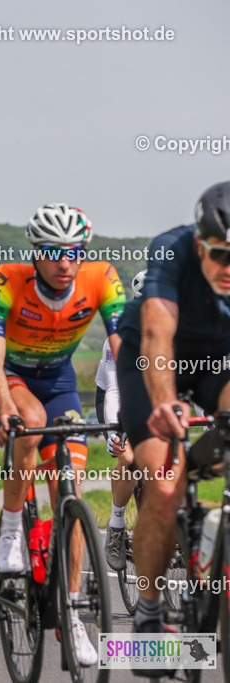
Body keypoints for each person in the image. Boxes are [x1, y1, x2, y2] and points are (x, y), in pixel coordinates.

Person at [0, 203, 124, 666]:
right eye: (54, 252)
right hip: (5, 375)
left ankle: (73, 612)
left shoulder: (102, 277)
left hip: (59, 383)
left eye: (74, 251)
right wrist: (4, 409)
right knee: (31, 420)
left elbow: (124, 348)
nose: (65, 262)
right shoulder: (7, 279)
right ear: (36, 252)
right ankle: (10, 530)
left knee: (69, 486)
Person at [115, 182, 230, 660]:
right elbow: (157, 335)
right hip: (151, 361)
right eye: (221, 255)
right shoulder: (172, 249)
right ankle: (148, 611)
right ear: (200, 244)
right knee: (163, 486)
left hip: (217, 360)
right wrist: (165, 403)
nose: (229, 268)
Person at [98, 270, 146, 571]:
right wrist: (116, 434)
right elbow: (115, 390)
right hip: (118, 397)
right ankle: (116, 526)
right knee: (129, 459)